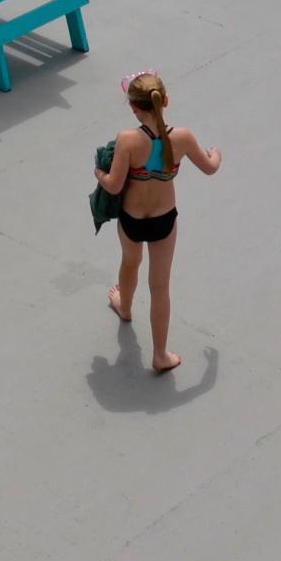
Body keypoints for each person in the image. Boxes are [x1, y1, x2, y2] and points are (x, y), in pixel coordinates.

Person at [95, 71, 221, 376]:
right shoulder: (183, 137)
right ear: (165, 100)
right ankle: (161, 354)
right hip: (164, 220)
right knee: (160, 285)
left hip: (132, 219)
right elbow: (209, 168)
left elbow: (113, 186)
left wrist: (98, 174)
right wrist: (216, 156)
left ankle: (124, 306)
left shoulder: (127, 140)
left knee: (129, 262)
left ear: (133, 108)